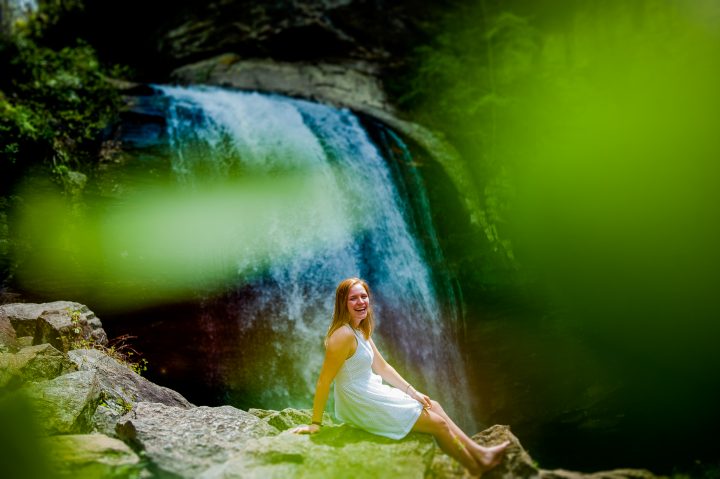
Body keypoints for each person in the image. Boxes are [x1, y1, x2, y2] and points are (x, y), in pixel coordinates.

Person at [291, 277, 509, 476]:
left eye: (364, 296)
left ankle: (481, 454)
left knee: (433, 405)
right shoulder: (342, 335)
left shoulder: (359, 329)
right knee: (439, 426)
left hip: (371, 390)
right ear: (343, 303)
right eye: (353, 298)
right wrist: (315, 424)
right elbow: (324, 380)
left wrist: (413, 392)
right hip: (359, 401)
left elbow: (382, 367)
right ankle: (476, 468)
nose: (360, 302)